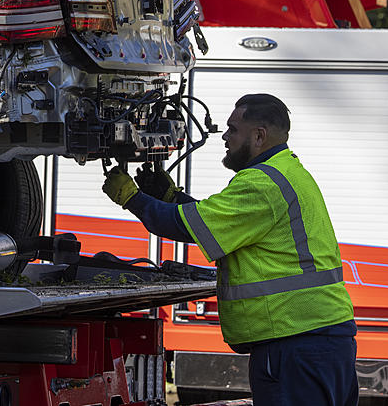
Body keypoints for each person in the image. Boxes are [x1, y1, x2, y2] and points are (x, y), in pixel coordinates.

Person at [102, 93, 357, 406]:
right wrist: (171, 197)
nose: (224, 136)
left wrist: (132, 198)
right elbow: (216, 222)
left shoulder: (261, 184)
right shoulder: (287, 172)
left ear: (259, 135)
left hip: (294, 345)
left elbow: (185, 226)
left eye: (233, 129)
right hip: (317, 340)